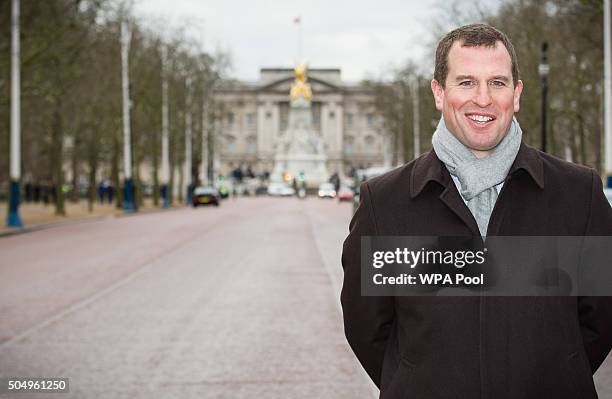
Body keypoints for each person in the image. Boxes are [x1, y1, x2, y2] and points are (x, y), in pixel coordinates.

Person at [341, 24, 612, 399]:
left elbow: (599, 321)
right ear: (439, 92)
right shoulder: (384, 203)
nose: (482, 99)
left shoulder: (578, 194)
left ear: (516, 94)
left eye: (497, 83)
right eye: (466, 82)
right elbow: (368, 330)